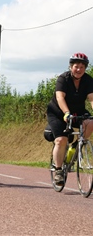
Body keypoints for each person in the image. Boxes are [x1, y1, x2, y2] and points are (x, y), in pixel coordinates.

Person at [47, 52, 93, 186]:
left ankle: (76, 147)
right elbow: (60, 98)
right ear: (71, 67)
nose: (79, 70)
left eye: (82, 67)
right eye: (76, 66)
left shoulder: (88, 80)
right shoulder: (63, 79)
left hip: (77, 111)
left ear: (85, 68)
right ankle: (59, 170)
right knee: (61, 140)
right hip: (57, 112)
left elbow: (91, 98)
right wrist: (66, 113)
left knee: (90, 123)